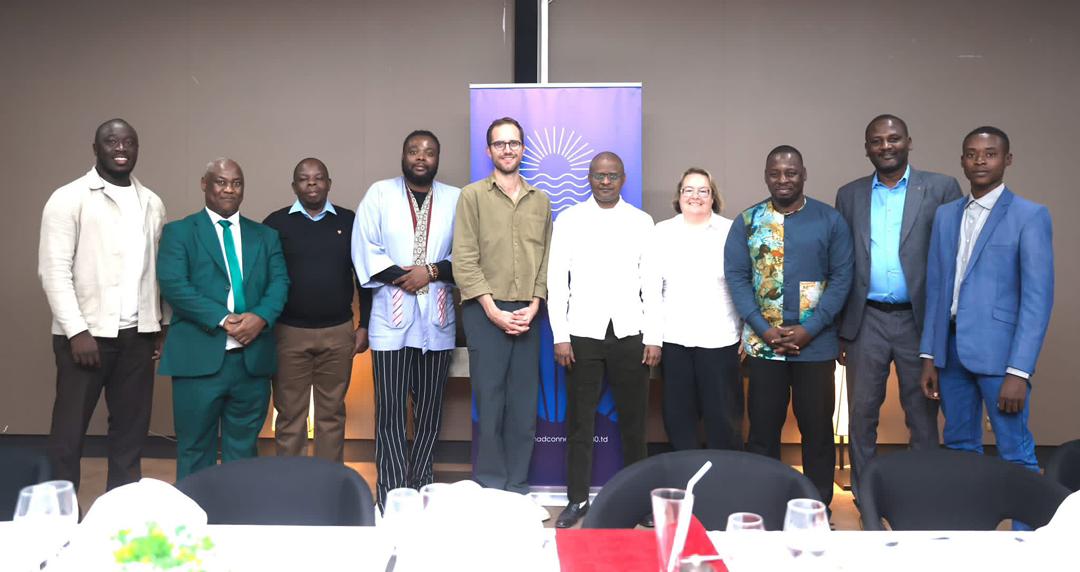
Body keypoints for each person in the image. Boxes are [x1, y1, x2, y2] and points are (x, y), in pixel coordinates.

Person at [834, 115, 962, 495]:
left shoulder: (941, 188)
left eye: (893, 139)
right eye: (877, 141)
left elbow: (955, 259)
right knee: (861, 416)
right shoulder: (849, 195)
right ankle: (866, 496)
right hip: (865, 320)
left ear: (908, 141)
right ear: (867, 148)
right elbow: (842, 264)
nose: (885, 146)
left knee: (922, 415)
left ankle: (921, 495)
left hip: (918, 321)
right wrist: (842, 328)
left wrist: (942, 332)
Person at [38, 118, 167, 491]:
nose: (121, 148)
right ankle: (64, 515)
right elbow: (53, 270)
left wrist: (160, 324)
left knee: (130, 435)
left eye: (129, 142)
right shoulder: (68, 198)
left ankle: (120, 513)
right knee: (68, 435)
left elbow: (157, 270)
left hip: (137, 338)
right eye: (112, 141)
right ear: (96, 149)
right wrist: (77, 331)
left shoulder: (152, 203)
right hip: (85, 338)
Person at [724, 145, 853, 506]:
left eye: (791, 172)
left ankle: (816, 506)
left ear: (803, 174)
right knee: (763, 431)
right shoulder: (747, 221)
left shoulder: (830, 220)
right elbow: (736, 278)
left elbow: (842, 278)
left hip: (816, 345)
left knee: (817, 432)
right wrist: (763, 328)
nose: (783, 179)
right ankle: (765, 503)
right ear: (766, 176)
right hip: (764, 346)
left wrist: (810, 329)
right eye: (775, 173)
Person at [920, 126, 1053, 473]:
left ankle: (1026, 513)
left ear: (1007, 160)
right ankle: (968, 511)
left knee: (1015, 453)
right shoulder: (946, 215)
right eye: (972, 154)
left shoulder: (1029, 215)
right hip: (950, 354)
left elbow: (1037, 301)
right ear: (962, 161)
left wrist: (1019, 372)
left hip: (1001, 358)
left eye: (990, 154)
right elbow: (936, 289)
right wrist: (930, 356)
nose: (980, 160)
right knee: (959, 449)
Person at [157, 158, 289, 479]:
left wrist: (260, 317)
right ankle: (195, 509)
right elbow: (174, 284)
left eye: (236, 183)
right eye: (221, 182)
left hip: (251, 362)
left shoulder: (266, 236)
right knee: (194, 449)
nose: (229, 189)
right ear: (205, 184)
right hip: (198, 359)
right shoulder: (179, 232)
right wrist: (222, 318)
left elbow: (280, 283)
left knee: (243, 452)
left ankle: (237, 507)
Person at [547, 152, 659, 528]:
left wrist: (654, 337)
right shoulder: (569, 220)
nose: (605, 182)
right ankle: (577, 499)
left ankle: (638, 502)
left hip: (631, 333)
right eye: (599, 176)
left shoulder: (642, 222)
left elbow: (651, 284)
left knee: (634, 425)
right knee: (580, 424)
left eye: (612, 176)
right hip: (582, 334)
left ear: (623, 179)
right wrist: (560, 336)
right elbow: (556, 281)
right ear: (589, 178)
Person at [352, 131, 460, 507]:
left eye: (429, 152)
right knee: (391, 411)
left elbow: (467, 253)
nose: (421, 157)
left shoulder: (456, 199)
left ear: (437, 159)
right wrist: (408, 277)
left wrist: (428, 272)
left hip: (437, 319)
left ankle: (422, 485)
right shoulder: (379, 194)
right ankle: (392, 493)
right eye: (414, 151)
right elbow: (364, 248)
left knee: (430, 411)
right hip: (390, 319)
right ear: (403, 155)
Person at [453, 117, 552, 498]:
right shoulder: (472, 196)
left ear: (523, 149)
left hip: (528, 313)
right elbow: (464, 258)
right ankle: (492, 488)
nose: (507, 150)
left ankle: (517, 488)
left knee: (524, 406)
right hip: (484, 312)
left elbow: (546, 258)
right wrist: (492, 309)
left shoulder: (540, 200)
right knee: (490, 404)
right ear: (489, 150)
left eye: (513, 143)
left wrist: (536, 303)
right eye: (499, 144)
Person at [263, 158, 371, 463]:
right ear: (294, 185)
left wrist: (364, 324)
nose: (311, 183)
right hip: (289, 333)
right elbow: (263, 279)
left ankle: (327, 480)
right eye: (304, 178)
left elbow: (364, 277)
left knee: (332, 413)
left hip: (338, 332)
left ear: (329, 183)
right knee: (289, 414)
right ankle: (292, 480)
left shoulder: (349, 221)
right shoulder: (275, 224)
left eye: (318, 177)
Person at [650, 167, 743, 453]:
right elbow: (652, 288)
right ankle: (685, 473)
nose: (695, 196)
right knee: (678, 418)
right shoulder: (662, 231)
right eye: (688, 190)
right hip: (674, 340)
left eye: (703, 190)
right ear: (679, 196)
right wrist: (653, 337)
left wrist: (747, 330)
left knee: (723, 419)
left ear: (713, 197)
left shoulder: (730, 231)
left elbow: (744, 283)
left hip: (721, 339)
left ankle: (723, 475)